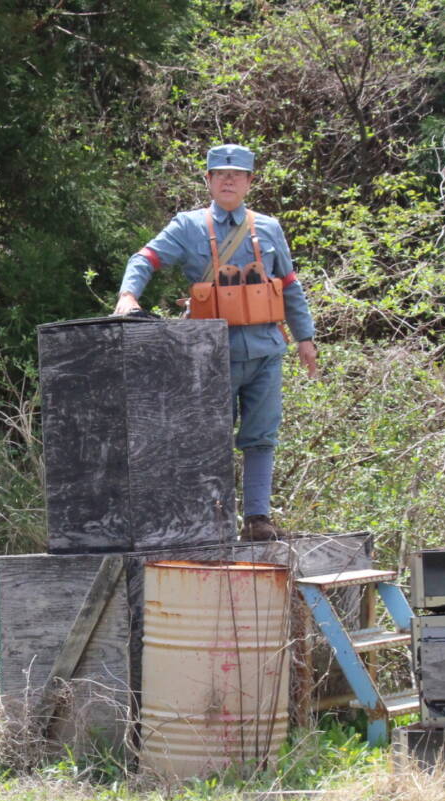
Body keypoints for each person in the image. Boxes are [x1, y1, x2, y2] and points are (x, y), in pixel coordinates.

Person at [113, 143, 320, 542]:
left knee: (261, 437)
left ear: (249, 182)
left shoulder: (268, 227)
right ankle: (209, 523)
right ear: (208, 180)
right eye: (221, 174)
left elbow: (290, 285)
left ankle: (257, 520)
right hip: (209, 354)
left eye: (237, 174)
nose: (229, 180)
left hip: (265, 349)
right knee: (208, 438)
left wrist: (305, 338)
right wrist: (128, 295)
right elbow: (145, 259)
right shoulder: (187, 226)